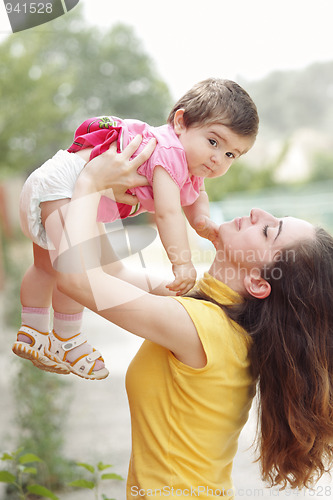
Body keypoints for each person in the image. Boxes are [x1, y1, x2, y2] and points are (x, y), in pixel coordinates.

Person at [53, 137, 333, 498]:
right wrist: (96, 188)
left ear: (258, 283)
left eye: (268, 230)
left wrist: (89, 184)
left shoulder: (201, 327)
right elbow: (113, 272)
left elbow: (77, 280)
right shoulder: (211, 312)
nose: (257, 214)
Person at [13, 78, 258, 380]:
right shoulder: (170, 153)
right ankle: (67, 338)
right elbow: (168, 213)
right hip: (69, 187)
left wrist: (202, 222)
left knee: (45, 267)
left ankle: (32, 331)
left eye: (231, 155)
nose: (217, 159)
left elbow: (197, 198)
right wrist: (182, 263)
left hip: (52, 181)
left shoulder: (191, 166)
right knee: (79, 268)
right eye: (214, 142)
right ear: (181, 122)